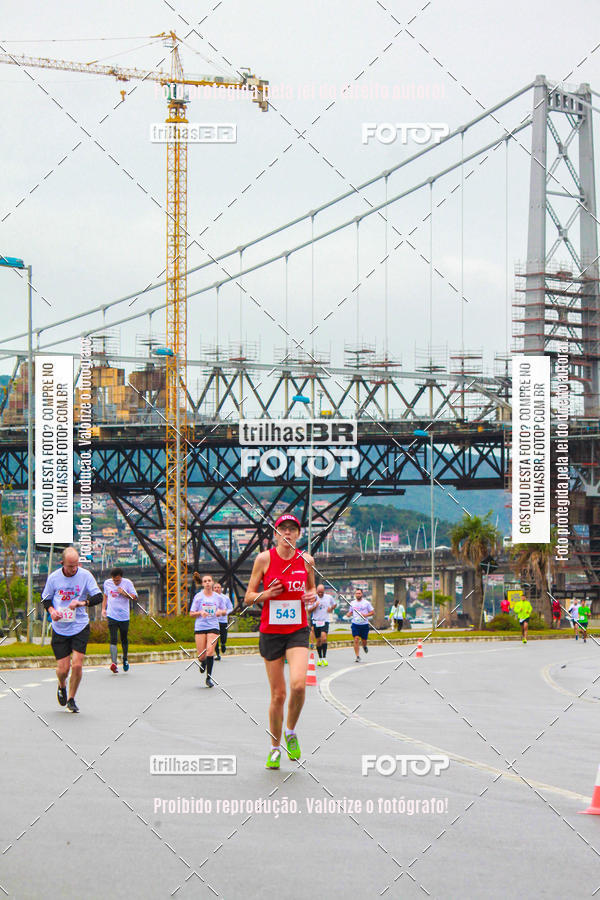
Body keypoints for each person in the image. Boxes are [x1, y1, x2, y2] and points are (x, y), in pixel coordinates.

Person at [244, 513, 316, 770]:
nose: (288, 533)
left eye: (292, 529)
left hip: (297, 629)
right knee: (278, 695)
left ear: (298, 534)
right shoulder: (264, 559)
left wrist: (312, 599)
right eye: (282, 529)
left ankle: (291, 731)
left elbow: (310, 593)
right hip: (271, 631)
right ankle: (274, 748)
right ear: (276, 534)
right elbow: (248, 597)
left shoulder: (306, 560)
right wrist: (266, 594)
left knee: (298, 686)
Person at [41, 547, 103, 713]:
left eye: (76, 565)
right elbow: (46, 599)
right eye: (70, 566)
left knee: (77, 664)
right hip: (60, 627)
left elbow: (98, 596)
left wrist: (82, 603)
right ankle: (62, 686)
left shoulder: (85, 575)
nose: (74, 569)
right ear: (62, 564)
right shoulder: (54, 578)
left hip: (80, 625)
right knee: (63, 669)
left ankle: (71, 698)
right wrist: (52, 611)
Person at [189, 573, 227, 687]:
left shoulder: (218, 597)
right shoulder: (198, 597)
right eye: (205, 581)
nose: (207, 583)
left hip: (213, 626)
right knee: (201, 655)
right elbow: (191, 613)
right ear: (202, 584)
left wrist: (220, 612)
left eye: (209, 581)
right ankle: (203, 661)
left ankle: (208, 678)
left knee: (210, 651)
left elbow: (224, 611)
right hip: (200, 626)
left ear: (212, 583)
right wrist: (200, 613)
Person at [102, 567, 138, 673]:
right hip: (111, 615)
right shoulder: (107, 583)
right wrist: (103, 609)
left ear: (121, 577)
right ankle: (114, 663)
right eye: (114, 580)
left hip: (124, 616)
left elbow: (135, 597)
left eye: (117, 580)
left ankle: (125, 659)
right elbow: (105, 596)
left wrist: (124, 593)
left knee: (124, 638)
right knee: (113, 638)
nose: (116, 582)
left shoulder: (127, 583)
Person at [307, 584, 336, 666]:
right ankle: (320, 658)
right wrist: (315, 606)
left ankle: (324, 657)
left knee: (324, 638)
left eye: (322, 592)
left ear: (324, 591)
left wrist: (331, 608)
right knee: (318, 641)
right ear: (316, 591)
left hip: (325, 621)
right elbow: (308, 611)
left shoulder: (328, 597)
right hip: (316, 621)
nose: (320, 594)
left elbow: (334, 604)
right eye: (319, 592)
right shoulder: (313, 598)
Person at [345, 588, 374, 662]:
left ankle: (364, 646)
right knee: (356, 639)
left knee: (364, 640)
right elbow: (350, 612)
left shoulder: (366, 603)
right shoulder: (352, 603)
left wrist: (366, 615)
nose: (358, 595)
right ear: (355, 594)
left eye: (359, 593)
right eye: (356, 593)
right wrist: (348, 614)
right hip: (355, 624)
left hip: (364, 624)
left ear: (362, 594)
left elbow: (372, 612)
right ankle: (357, 656)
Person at [213, 582, 233, 660]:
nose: (217, 589)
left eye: (218, 587)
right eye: (215, 588)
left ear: (221, 589)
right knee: (215, 638)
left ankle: (223, 644)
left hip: (223, 620)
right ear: (213, 589)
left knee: (223, 636)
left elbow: (230, 608)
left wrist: (225, 613)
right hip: (214, 621)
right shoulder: (210, 598)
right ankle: (217, 654)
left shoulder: (225, 598)